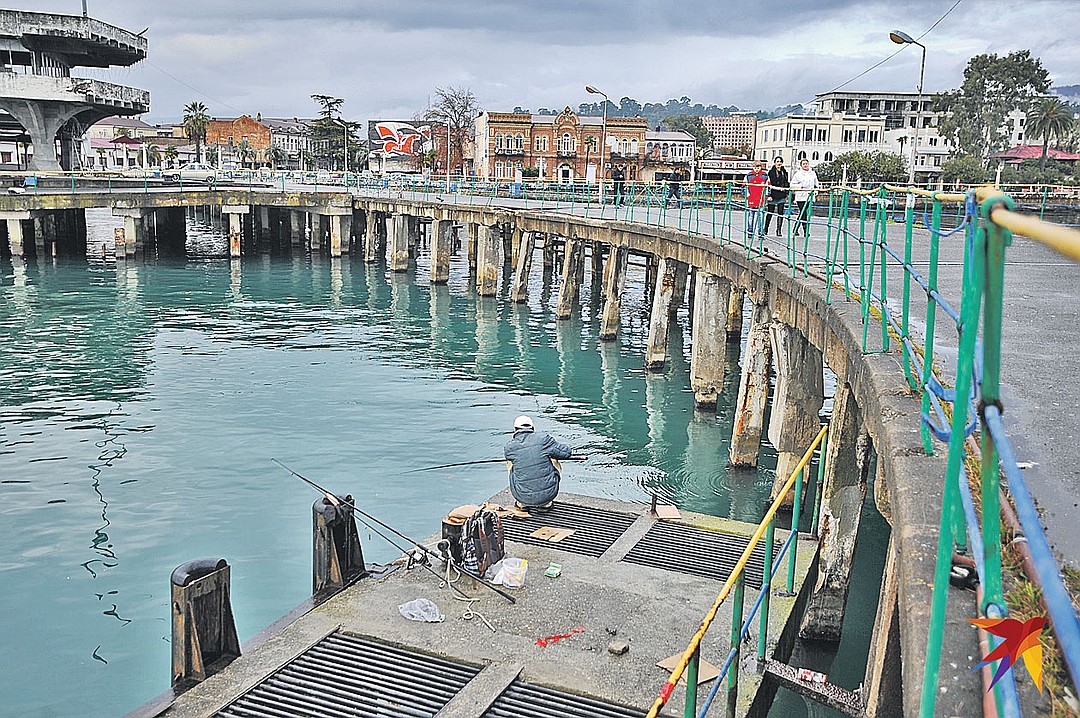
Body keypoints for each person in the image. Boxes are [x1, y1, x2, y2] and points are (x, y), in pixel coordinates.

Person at [504, 415, 575, 511]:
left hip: (522, 496)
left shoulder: (509, 447)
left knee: (510, 463)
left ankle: (522, 504)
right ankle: (545, 504)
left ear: (515, 429)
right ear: (532, 428)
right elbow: (566, 453)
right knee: (554, 460)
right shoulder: (544, 439)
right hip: (548, 496)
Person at [790, 158, 819, 238]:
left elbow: (816, 184)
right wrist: (801, 185)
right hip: (800, 196)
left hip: (809, 196)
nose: (805, 165)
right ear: (801, 165)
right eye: (804, 164)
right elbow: (792, 185)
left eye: (806, 163)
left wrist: (816, 192)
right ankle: (805, 231)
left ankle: (796, 228)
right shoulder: (798, 174)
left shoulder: (813, 173)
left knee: (803, 213)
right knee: (803, 212)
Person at [764, 157, 790, 237]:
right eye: (777, 161)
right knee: (770, 212)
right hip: (773, 194)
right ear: (774, 163)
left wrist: (787, 192)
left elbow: (786, 182)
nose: (779, 163)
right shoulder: (771, 172)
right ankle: (766, 229)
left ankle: (779, 230)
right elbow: (769, 184)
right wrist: (769, 195)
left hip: (781, 195)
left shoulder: (784, 172)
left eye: (780, 162)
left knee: (780, 213)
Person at [744, 161, 768, 238]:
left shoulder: (765, 176)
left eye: (758, 167)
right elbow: (744, 187)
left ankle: (760, 232)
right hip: (751, 198)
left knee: (760, 215)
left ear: (761, 167)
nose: (757, 169)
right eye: (755, 168)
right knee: (751, 216)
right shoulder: (748, 176)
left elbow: (768, 187)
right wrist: (747, 196)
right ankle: (750, 231)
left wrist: (767, 196)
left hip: (761, 198)